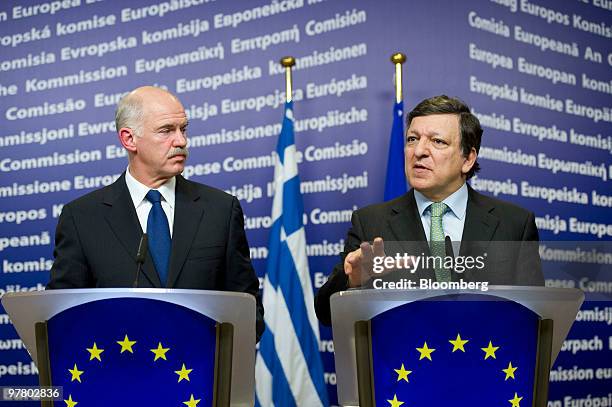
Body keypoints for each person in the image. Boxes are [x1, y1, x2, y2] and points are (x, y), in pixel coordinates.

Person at [47, 86, 264, 339]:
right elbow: (63, 316)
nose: (181, 141)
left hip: (202, 373)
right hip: (120, 373)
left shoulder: (220, 210)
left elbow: (248, 308)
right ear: (129, 139)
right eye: (166, 131)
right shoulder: (82, 218)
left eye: (183, 129)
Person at [314, 95, 544, 325]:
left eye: (437, 141)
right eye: (412, 139)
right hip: (403, 360)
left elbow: (535, 316)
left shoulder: (514, 223)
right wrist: (354, 282)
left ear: (468, 158)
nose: (419, 151)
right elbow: (326, 313)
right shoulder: (370, 222)